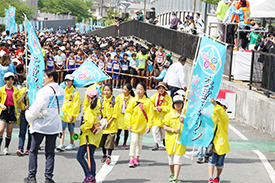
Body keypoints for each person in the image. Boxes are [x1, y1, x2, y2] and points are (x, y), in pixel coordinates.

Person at [24, 69, 65, 183]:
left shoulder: (43, 91)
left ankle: (31, 176)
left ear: (51, 77)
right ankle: (48, 178)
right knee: (50, 152)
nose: (43, 78)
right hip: (54, 125)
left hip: (40, 125)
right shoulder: (61, 90)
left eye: (45, 76)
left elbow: (35, 108)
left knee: (33, 151)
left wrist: (29, 111)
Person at [125, 82, 154, 168]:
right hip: (133, 125)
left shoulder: (148, 102)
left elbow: (150, 115)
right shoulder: (133, 100)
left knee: (139, 142)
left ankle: (137, 157)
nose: (138, 91)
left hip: (142, 125)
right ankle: (131, 158)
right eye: (137, 89)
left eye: (141, 89)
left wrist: (149, 126)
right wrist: (128, 124)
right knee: (133, 141)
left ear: (145, 90)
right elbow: (128, 113)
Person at [77, 88, 102, 183]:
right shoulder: (98, 107)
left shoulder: (90, 108)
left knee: (79, 156)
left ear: (89, 97)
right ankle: (93, 176)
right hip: (96, 136)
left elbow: (88, 124)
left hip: (88, 136)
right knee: (90, 156)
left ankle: (89, 175)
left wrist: (82, 127)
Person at [163, 95, 187, 183]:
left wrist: (184, 122)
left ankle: (176, 177)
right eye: (176, 103)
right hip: (170, 140)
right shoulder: (169, 115)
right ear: (173, 104)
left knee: (178, 159)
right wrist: (173, 130)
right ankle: (172, 173)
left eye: (180, 103)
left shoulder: (185, 116)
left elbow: (190, 127)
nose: (178, 105)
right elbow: (165, 127)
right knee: (171, 161)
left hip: (181, 140)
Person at [208, 98, 230, 183]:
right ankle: (210, 178)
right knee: (211, 161)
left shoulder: (225, 116)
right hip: (213, 141)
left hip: (221, 143)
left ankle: (217, 177)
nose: (218, 106)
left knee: (220, 163)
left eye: (221, 105)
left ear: (225, 108)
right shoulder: (214, 114)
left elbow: (220, 112)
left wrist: (215, 105)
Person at [56, 74, 81, 151]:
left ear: (72, 82)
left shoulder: (75, 92)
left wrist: (73, 115)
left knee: (71, 129)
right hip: (63, 112)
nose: (68, 82)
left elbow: (76, 104)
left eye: (69, 81)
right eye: (66, 81)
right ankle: (61, 144)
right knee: (62, 129)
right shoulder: (64, 90)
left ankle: (72, 143)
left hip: (70, 113)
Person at [0, 72, 19, 155]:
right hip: (3, 110)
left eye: (12, 79)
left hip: (12, 110)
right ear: (5, 80)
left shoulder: (16, 90)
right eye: (8, 79)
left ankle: (6, 148)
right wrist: (1, 105)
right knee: (1, 130)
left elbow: (18, 101)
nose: (10, 81)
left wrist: (24, 94)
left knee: (9, 131)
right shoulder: (1, 89)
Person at [99, 84, 119, 165]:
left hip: (111, 124)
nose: (106, 92)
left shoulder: (114, 100)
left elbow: (116, 112)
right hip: (103, 124)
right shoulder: (101, 100)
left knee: (110, 141)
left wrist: (109, 121)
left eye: (108, 90)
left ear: (111, 91)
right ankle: (104, 155)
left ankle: (109, 156)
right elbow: (98, 110)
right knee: (102, 141)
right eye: (105, 90)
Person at [150, 82, 172, 151]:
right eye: (159, 88)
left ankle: (164, 141)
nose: (160, 90)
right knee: (155, 130)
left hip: (165, 117)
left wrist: (162, 108)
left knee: (163, 132)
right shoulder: (154, 96)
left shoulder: (168, 97)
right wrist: (154, 108)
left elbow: (171, 108)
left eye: (162, 88)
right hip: (156, 117)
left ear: (165, 89)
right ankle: (156, 143)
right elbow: (150, 104)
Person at [115, 83, 135, 149]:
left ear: (130, 91)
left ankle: (124, 143)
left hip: (127, 116)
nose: (124, 91)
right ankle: (117, 139)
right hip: (120, 115)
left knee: (126, 130)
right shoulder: (119, 97)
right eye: (123, 89)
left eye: (126, 90)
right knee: (119, 129)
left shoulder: (132, 99)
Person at [16, 81, 31, 156]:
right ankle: (20, 148)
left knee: (31, 132)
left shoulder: (34, 91)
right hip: (24, 113)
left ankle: (29, 148)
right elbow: (18, 101)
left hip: (32, 113)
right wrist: (24, 94)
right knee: (22, 131)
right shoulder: (22, 91)